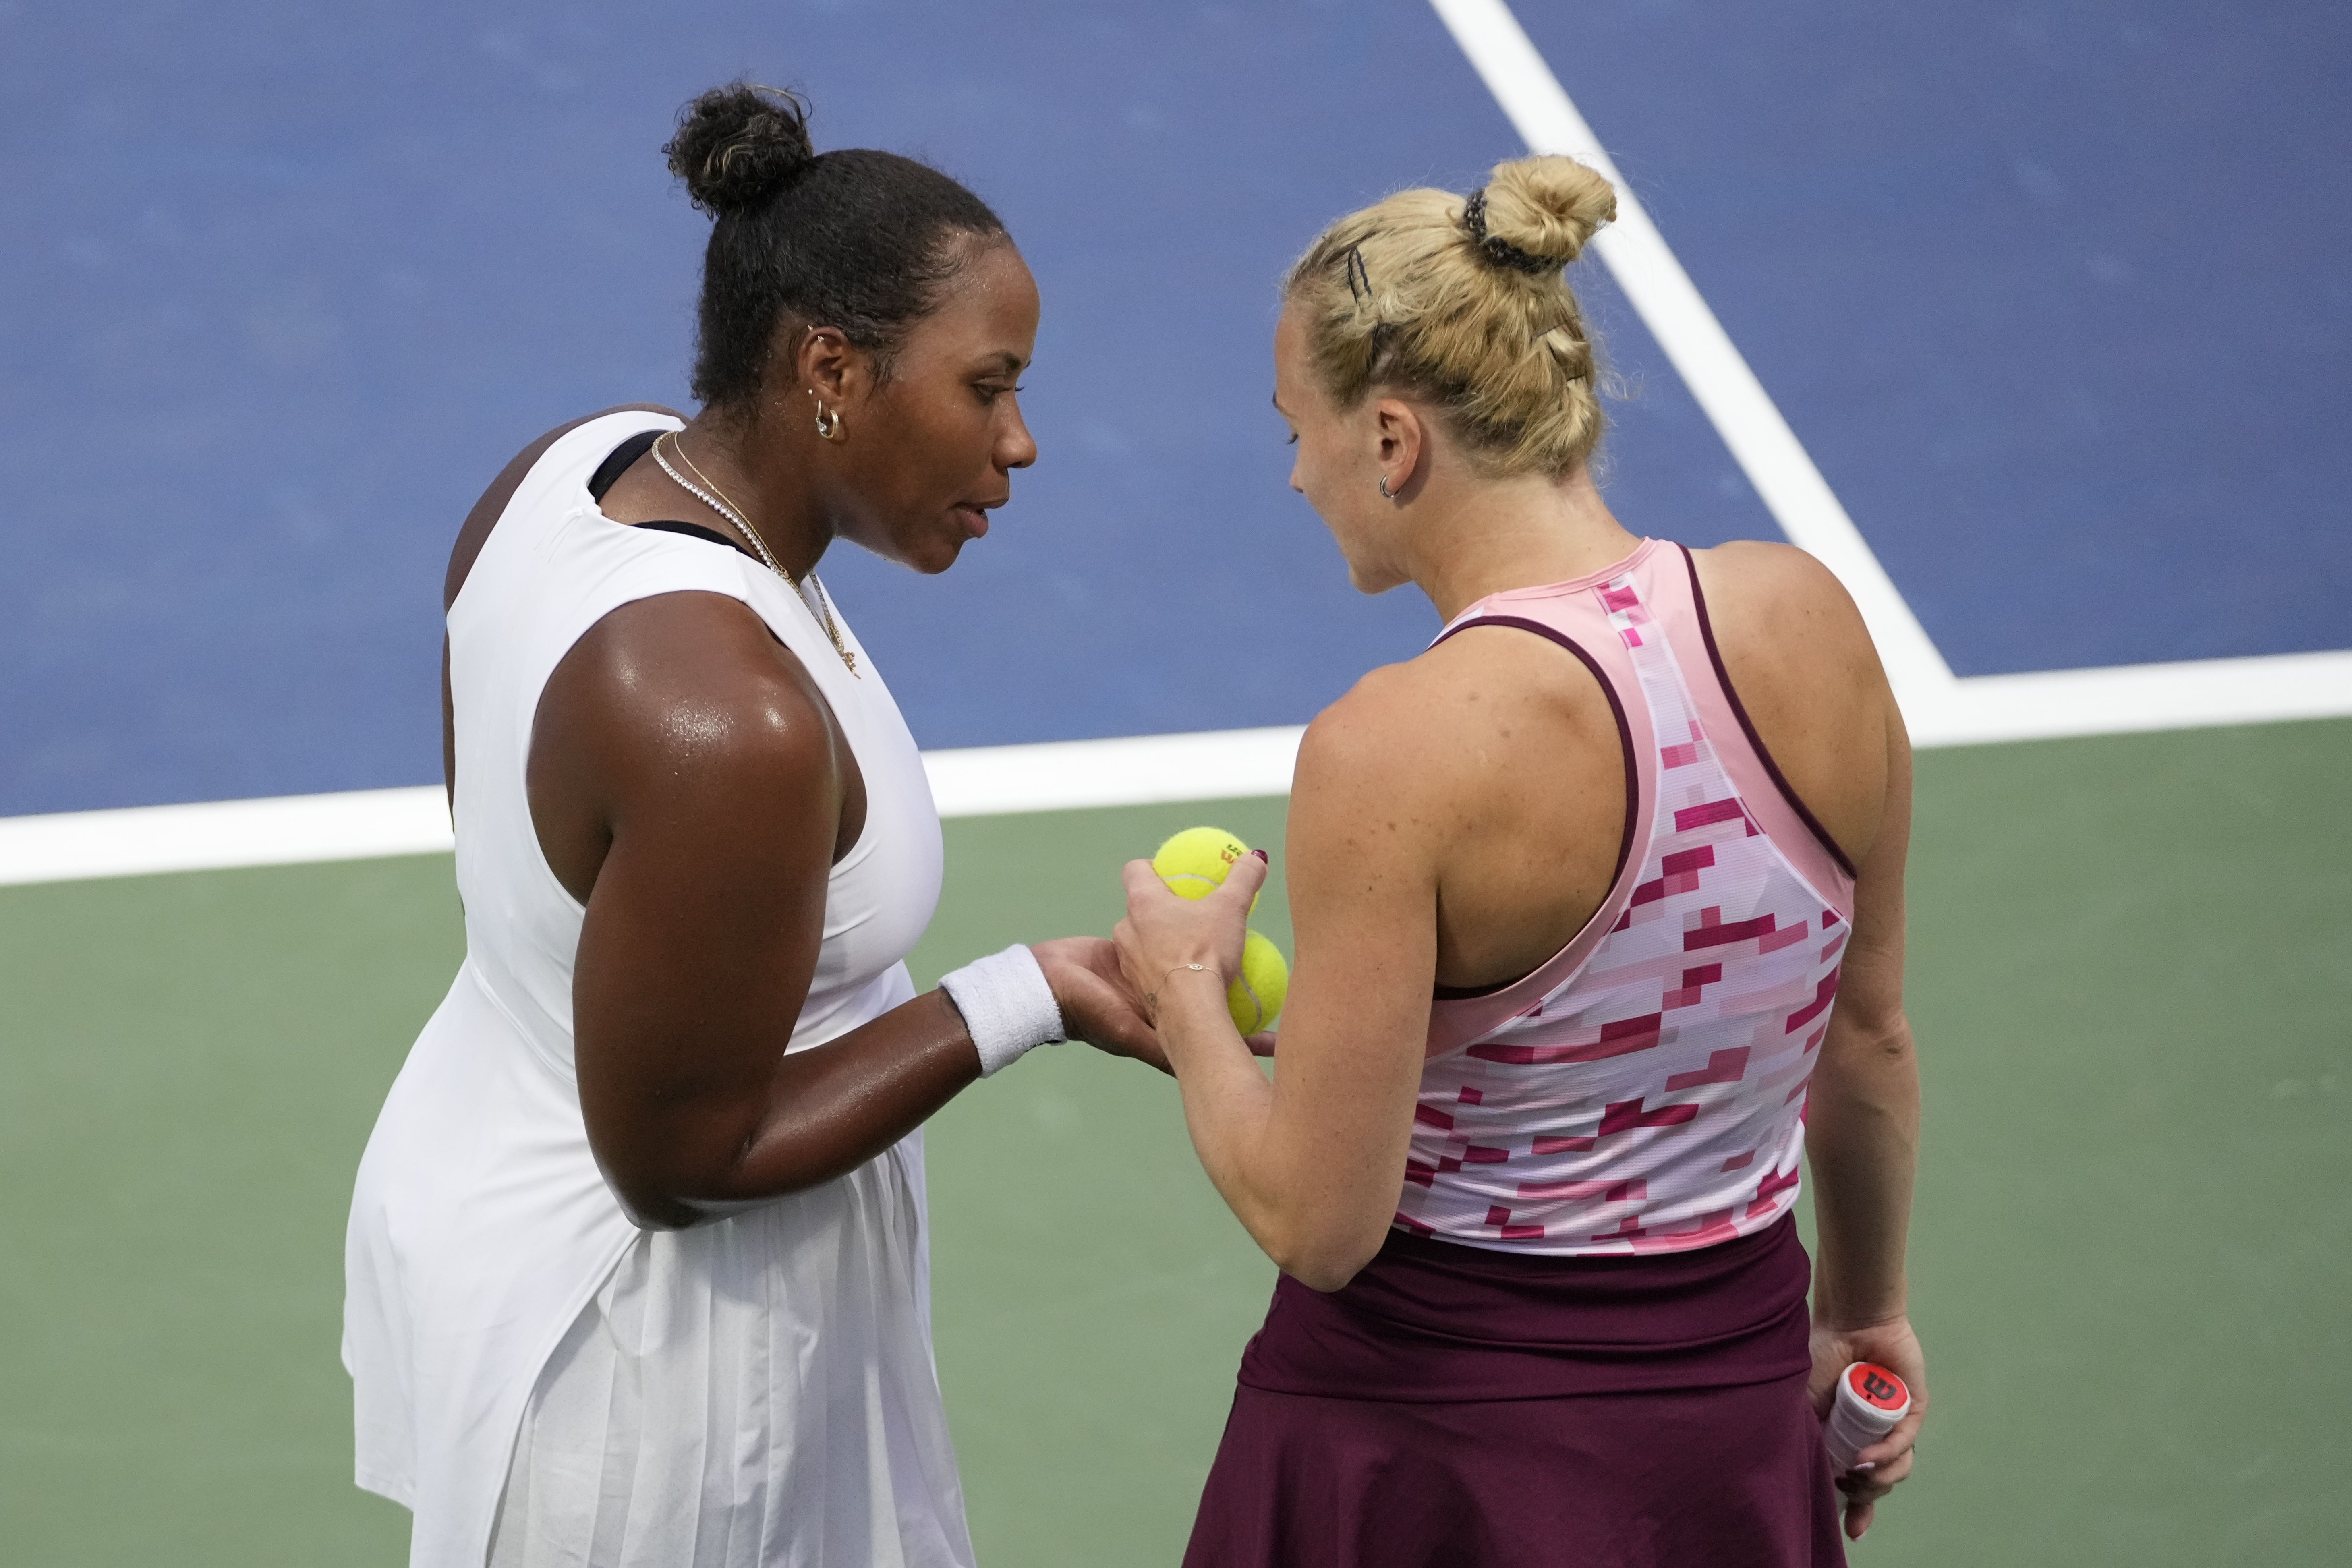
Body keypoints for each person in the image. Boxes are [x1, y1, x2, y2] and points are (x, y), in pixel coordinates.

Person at [344, 84, 1158, 1568]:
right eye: (988, 387)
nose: (1022, 442)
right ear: (831, 366)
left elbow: (522, 848)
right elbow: (681, 1158)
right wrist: (1031, 994)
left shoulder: (573, 469)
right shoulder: (731, 725)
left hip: (500, 1191)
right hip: (658, 1385)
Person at [1115, 155, 1927, 1567]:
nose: (1295, 471)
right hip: (1725, 1427)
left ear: (1390, 438)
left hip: (1430, 1452)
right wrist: (1863, 1314)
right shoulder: (1812, 624)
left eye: (1295, 427)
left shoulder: (1396, 750)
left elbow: (1319, 1221)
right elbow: (1868, 1043)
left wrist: (1189, 996)